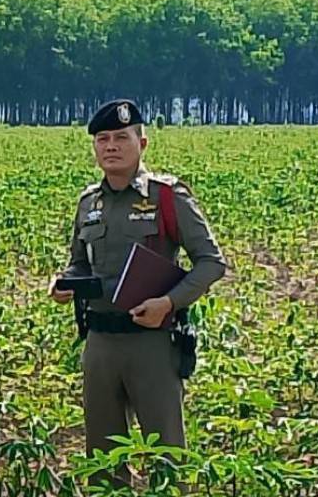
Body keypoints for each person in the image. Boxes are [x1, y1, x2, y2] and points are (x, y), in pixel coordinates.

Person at [49, 99, 225, 466]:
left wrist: (169, 303)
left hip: (152, 342)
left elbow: (211, 263)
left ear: (142, 144)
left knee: (166, 451)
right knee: (102, 454)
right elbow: (79, 263)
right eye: (103, 139)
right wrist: (64, 285)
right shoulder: (88, 202)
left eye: (121, 137)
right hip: (100, 343)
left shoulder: (166, 196)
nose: (111, 146)